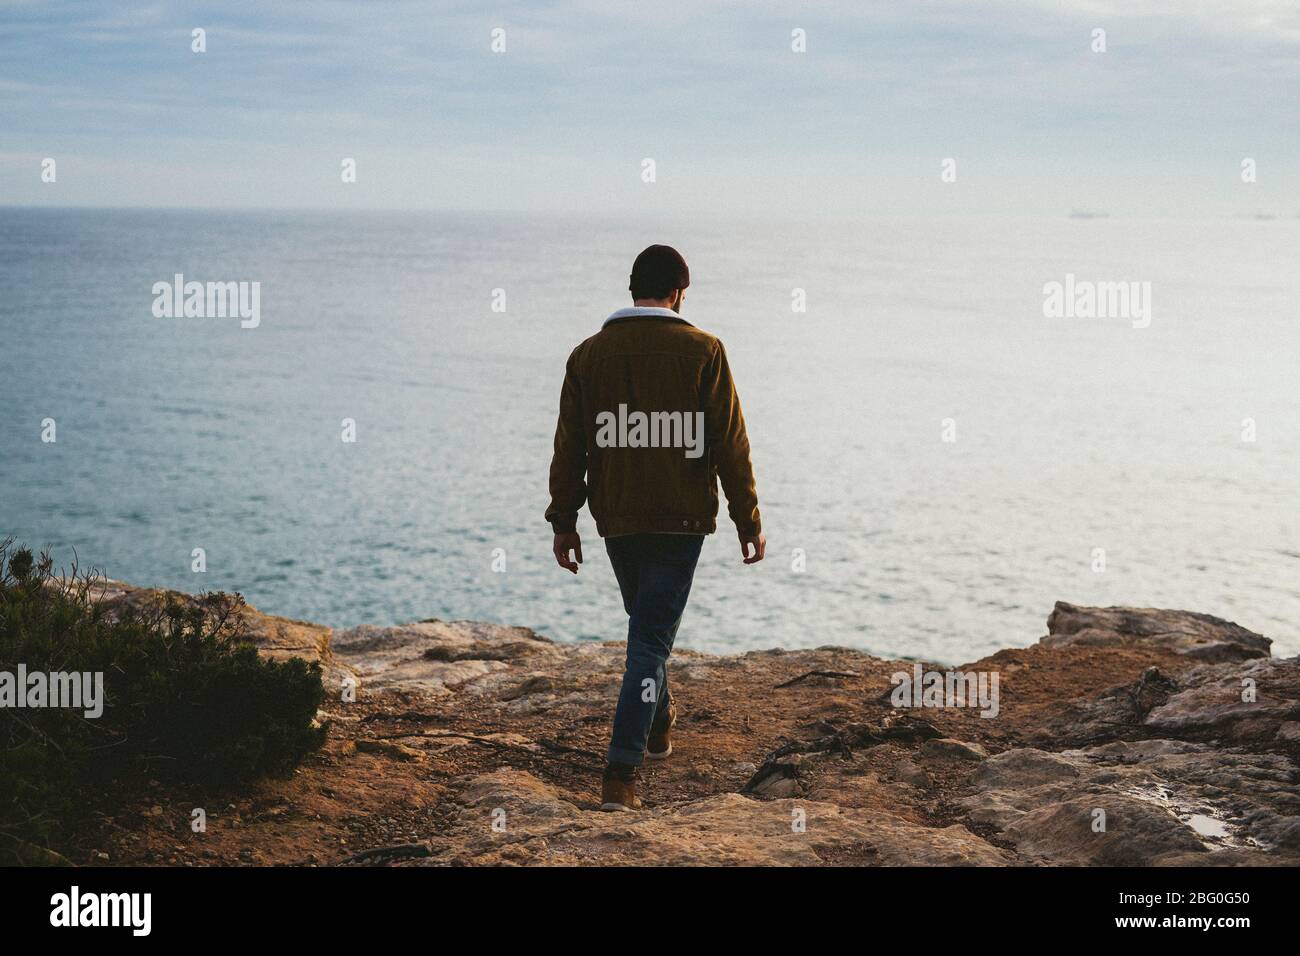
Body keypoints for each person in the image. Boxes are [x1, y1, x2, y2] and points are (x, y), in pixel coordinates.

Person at [545, 243, 765, 811]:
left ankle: (660, 718)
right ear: (679, 293)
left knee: (647, 629)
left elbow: (570, 445)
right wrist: (748, 518)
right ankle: (620, 771)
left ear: (632, 289)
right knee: (648, 640)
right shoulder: (704, 350)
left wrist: (564, 521)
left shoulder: (587, 356)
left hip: (615, 517)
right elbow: (730, 443)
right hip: (680, 520)